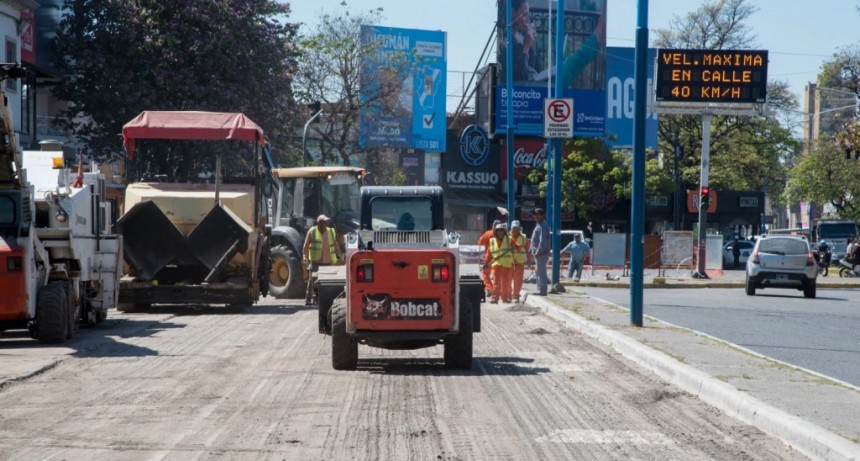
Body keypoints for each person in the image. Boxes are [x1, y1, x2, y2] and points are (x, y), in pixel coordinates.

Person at [302, 214, 342, 305]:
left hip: (327, 262)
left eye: (326, 222)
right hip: (316, 261)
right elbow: (306, 246)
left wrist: (340, 255)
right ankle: (308, 298)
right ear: (319, 223)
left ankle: (323, 299)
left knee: (325, 282)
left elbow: (336, 245)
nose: (325, 224)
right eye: (324, 222)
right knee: (312, 280)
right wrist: (305, 257)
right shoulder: (312, 231)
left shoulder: (331, 232)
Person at [488, 222, 513, 303]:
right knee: (496, 282)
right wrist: (486, 261)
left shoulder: (509, 239)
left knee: (504, 283)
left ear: (504, 232)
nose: (500, 232)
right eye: (498, 231)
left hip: (505, 265)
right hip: (496, 265)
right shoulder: (492, 241)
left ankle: (504, 298)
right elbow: (489, 253)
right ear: (496, 232)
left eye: (501, 231)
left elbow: (517, 246)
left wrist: (517, 246)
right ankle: (495, 298)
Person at [478, 219, 502, 296]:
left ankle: (489, 288)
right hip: (500, 258)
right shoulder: (504, 234)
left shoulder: (488, 233)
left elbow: (480, 243)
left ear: (493, 226)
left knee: (485, 273)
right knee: (498, 275)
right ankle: (499, 290)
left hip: (489, 258)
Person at [530, 208, 550, 295]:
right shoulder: (538, 225)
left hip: (541, 253)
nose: (536, 216)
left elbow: (543, 241)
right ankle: (540, 289)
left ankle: (542, 290)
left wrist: (538, 251)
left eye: (538, 214)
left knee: (541, 271)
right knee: (538, 271)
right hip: (538, 253)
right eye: (535, 214)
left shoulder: (543, 226)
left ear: (543, 215)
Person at [509, 220, 530, 302]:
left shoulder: (524, 237)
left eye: (516, 228)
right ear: (511, 228)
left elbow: (528, 250)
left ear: (519, 229)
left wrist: (528, 260)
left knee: (518, 281)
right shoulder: (507, 236)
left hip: (519, 263)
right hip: (508, 263)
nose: (515, 230)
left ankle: (515, 295)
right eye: (513, 228)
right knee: (507, 280)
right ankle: (508, 294)